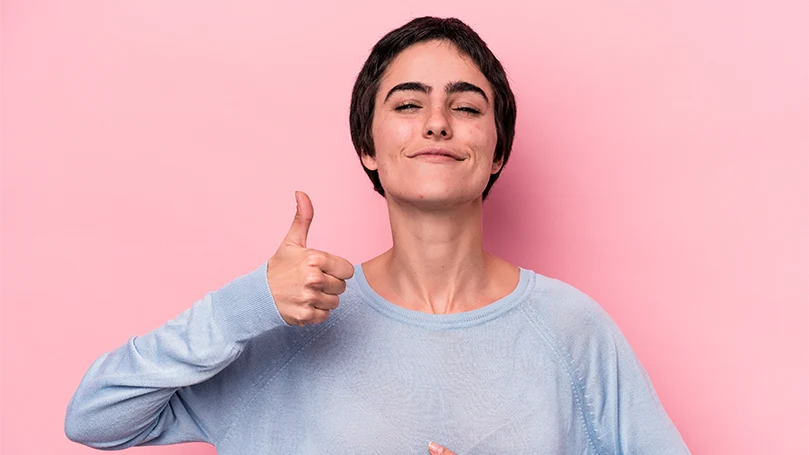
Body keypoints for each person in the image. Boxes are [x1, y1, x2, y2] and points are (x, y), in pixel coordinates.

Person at [65, 16, 690, 454]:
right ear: (368, 145)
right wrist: (245, 304)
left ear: (497, 151)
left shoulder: (571, 330)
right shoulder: (290, 322)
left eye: (468, 107)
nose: (438, 124)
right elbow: (96, 418)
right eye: (408, 104)